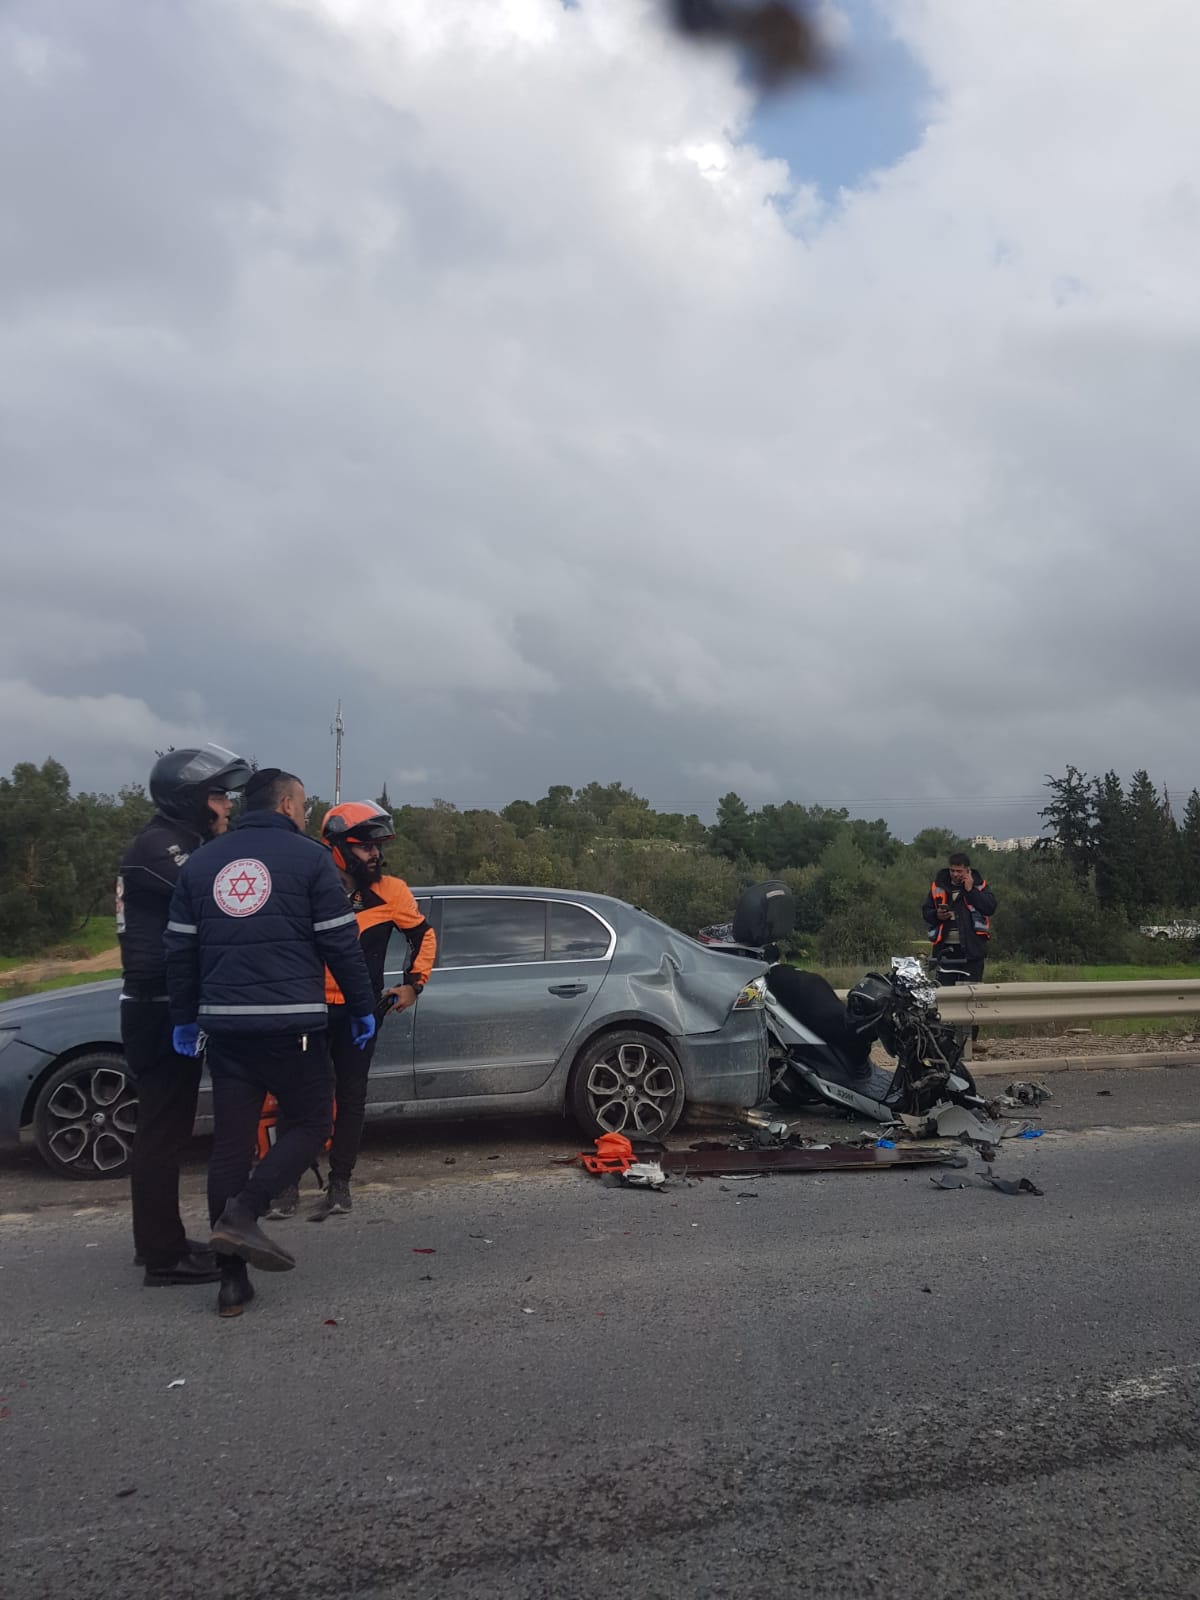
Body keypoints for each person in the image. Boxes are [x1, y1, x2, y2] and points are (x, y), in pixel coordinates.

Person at [163, 768, 377, 1317]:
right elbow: (341, 945)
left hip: (226, 1030)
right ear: (285, 805)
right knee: (313, 1123)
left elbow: (180, 953)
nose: (306, 814)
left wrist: (186, 1019)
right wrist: (359, 1008)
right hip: (291, 1029)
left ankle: (231, 1285)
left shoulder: (203, 863)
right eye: (303, 805)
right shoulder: (309, 860)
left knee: (230, 1147)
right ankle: (247, 1212)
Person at [118, 743, 252, 1288]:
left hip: (163, 1002)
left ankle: (156, 1241)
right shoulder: (161, 847)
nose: (226, 806)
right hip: (158, 1006)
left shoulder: (178, 841)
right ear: (190, 797)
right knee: (161, 1134)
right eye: (218, 795)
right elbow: (218, 902)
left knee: (164, 1131)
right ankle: (163, 1255)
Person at [267, 801, 437, 1221]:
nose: (375, 854)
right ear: (337, 846)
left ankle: (340, 1182)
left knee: (352, 1094)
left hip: (360, 1011)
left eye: (378, 846)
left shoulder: (391, 890)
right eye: (365, 846)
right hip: (308, 1008)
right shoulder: (307, 885)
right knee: (298, 1097)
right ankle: (286, 1183)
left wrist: (414, 985)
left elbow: (425, 937)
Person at [922, 851, 997, 1041]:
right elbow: (926, 911)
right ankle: (946, 1040)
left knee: (972, 997)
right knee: (946, 997)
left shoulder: (979, 885)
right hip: (945, 951)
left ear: (967, 871)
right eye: (952, 870)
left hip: (972, 951)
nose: (955, 874)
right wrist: (937, 916)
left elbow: (989, 908)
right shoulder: (938, 886)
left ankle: (969, 1041)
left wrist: (970, 891)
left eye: (959, 871)